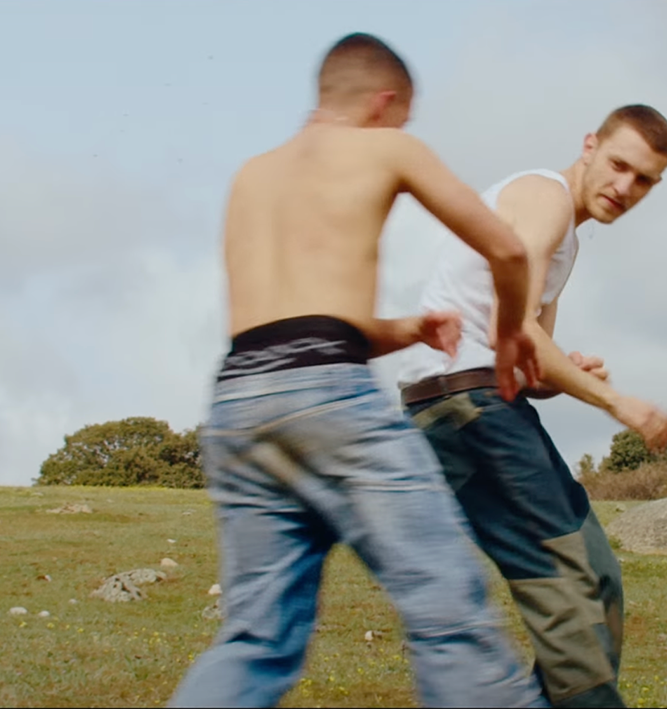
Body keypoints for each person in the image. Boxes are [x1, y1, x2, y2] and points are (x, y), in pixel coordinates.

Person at [167, 32, 549, 708]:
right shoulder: (387, 147)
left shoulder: (253, 174)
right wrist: (513, 331)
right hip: (331, 402)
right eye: (402, 118)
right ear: (384, 102)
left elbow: (292, 329)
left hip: (238, 404)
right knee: (447, 605)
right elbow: (509, 251)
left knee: (255, 637)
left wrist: (410, 329)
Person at [388, 105, 667, 708]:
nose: (625, 187)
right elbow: (513, 329)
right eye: (618, 165)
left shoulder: (564, 238)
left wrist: (565, 374)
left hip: (458, 405)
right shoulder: (545, 199)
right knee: (573, 580)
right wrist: (615, 401)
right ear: (590, 145)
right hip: (467, 402)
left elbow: (525, 363)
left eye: (644, 180)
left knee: (593, 574)